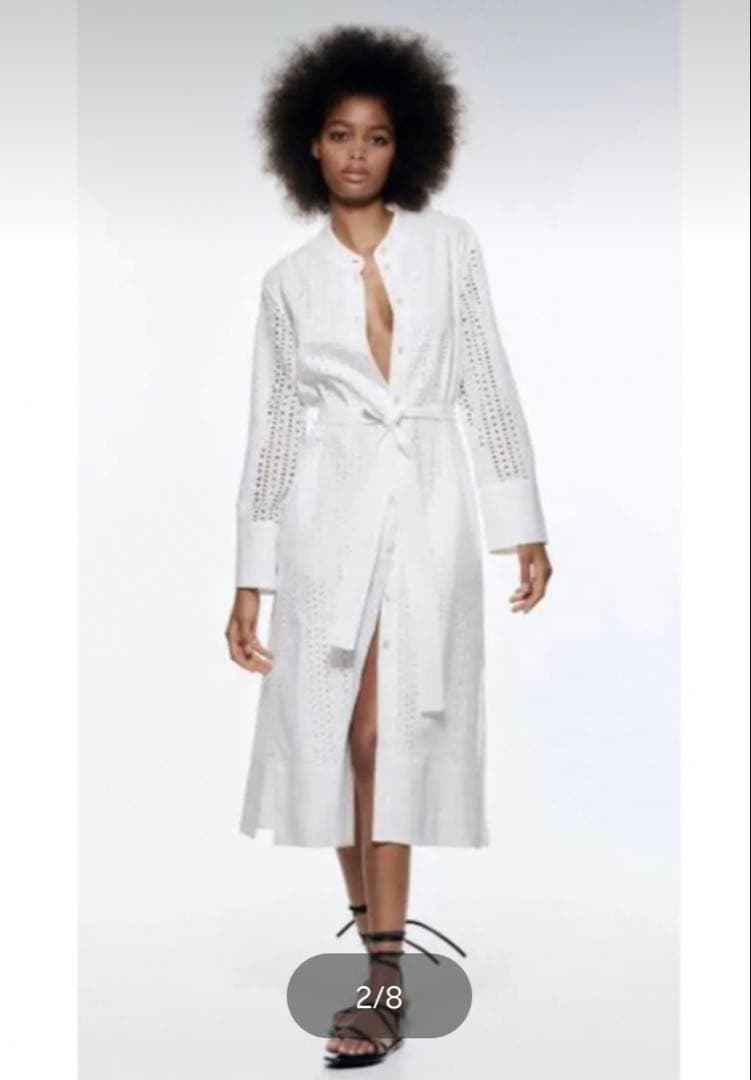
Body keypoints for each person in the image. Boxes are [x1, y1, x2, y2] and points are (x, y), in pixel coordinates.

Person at [225, 25, 553, 1068]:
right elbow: (274, 433)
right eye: (338, 134)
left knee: (391, 731)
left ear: (402, 145)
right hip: (328, 515)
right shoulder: (288, 281)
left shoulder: (449, 248)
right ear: (309, 145)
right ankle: (382, 959)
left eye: (374, 136)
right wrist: (250, 577)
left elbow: (486, 379)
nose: (357, 153)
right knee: (337, 736)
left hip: (429, 508)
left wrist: (521, 523)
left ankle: (383, 974)